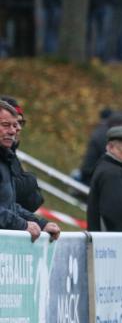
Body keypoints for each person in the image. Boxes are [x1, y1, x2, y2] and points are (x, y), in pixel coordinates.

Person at [0, 101, 59, 240]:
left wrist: (41, 223)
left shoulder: (5, 159)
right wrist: (22, 225)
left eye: (15, 125)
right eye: (5, 125)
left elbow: (9, 206)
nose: (13, 131)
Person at [2, 96, 43, 213]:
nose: (16, 129)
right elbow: (9, 194)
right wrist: (31, 179)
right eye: (7, 124)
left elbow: (35, 200)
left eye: (19, 123)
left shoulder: (11, 154)